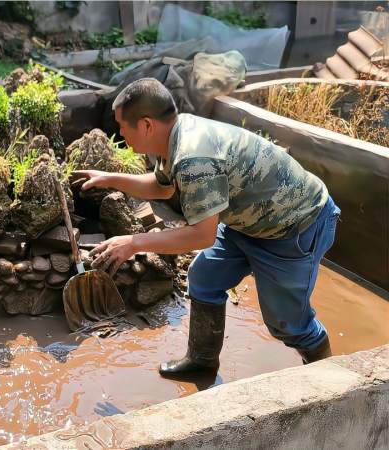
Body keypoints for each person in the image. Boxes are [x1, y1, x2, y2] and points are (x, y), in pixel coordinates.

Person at [73, 78, 340, 378]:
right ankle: (201, 362)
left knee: (287, 324)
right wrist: (110, 178)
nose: (119, 133)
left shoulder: (193, 156)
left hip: (296, 225)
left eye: (123, 125)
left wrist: (134, 243)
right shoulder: (174, 133)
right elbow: (162, 188)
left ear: (147, 125)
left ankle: (326, 379)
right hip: (248, 222)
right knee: (204, 277)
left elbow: (202, 234)